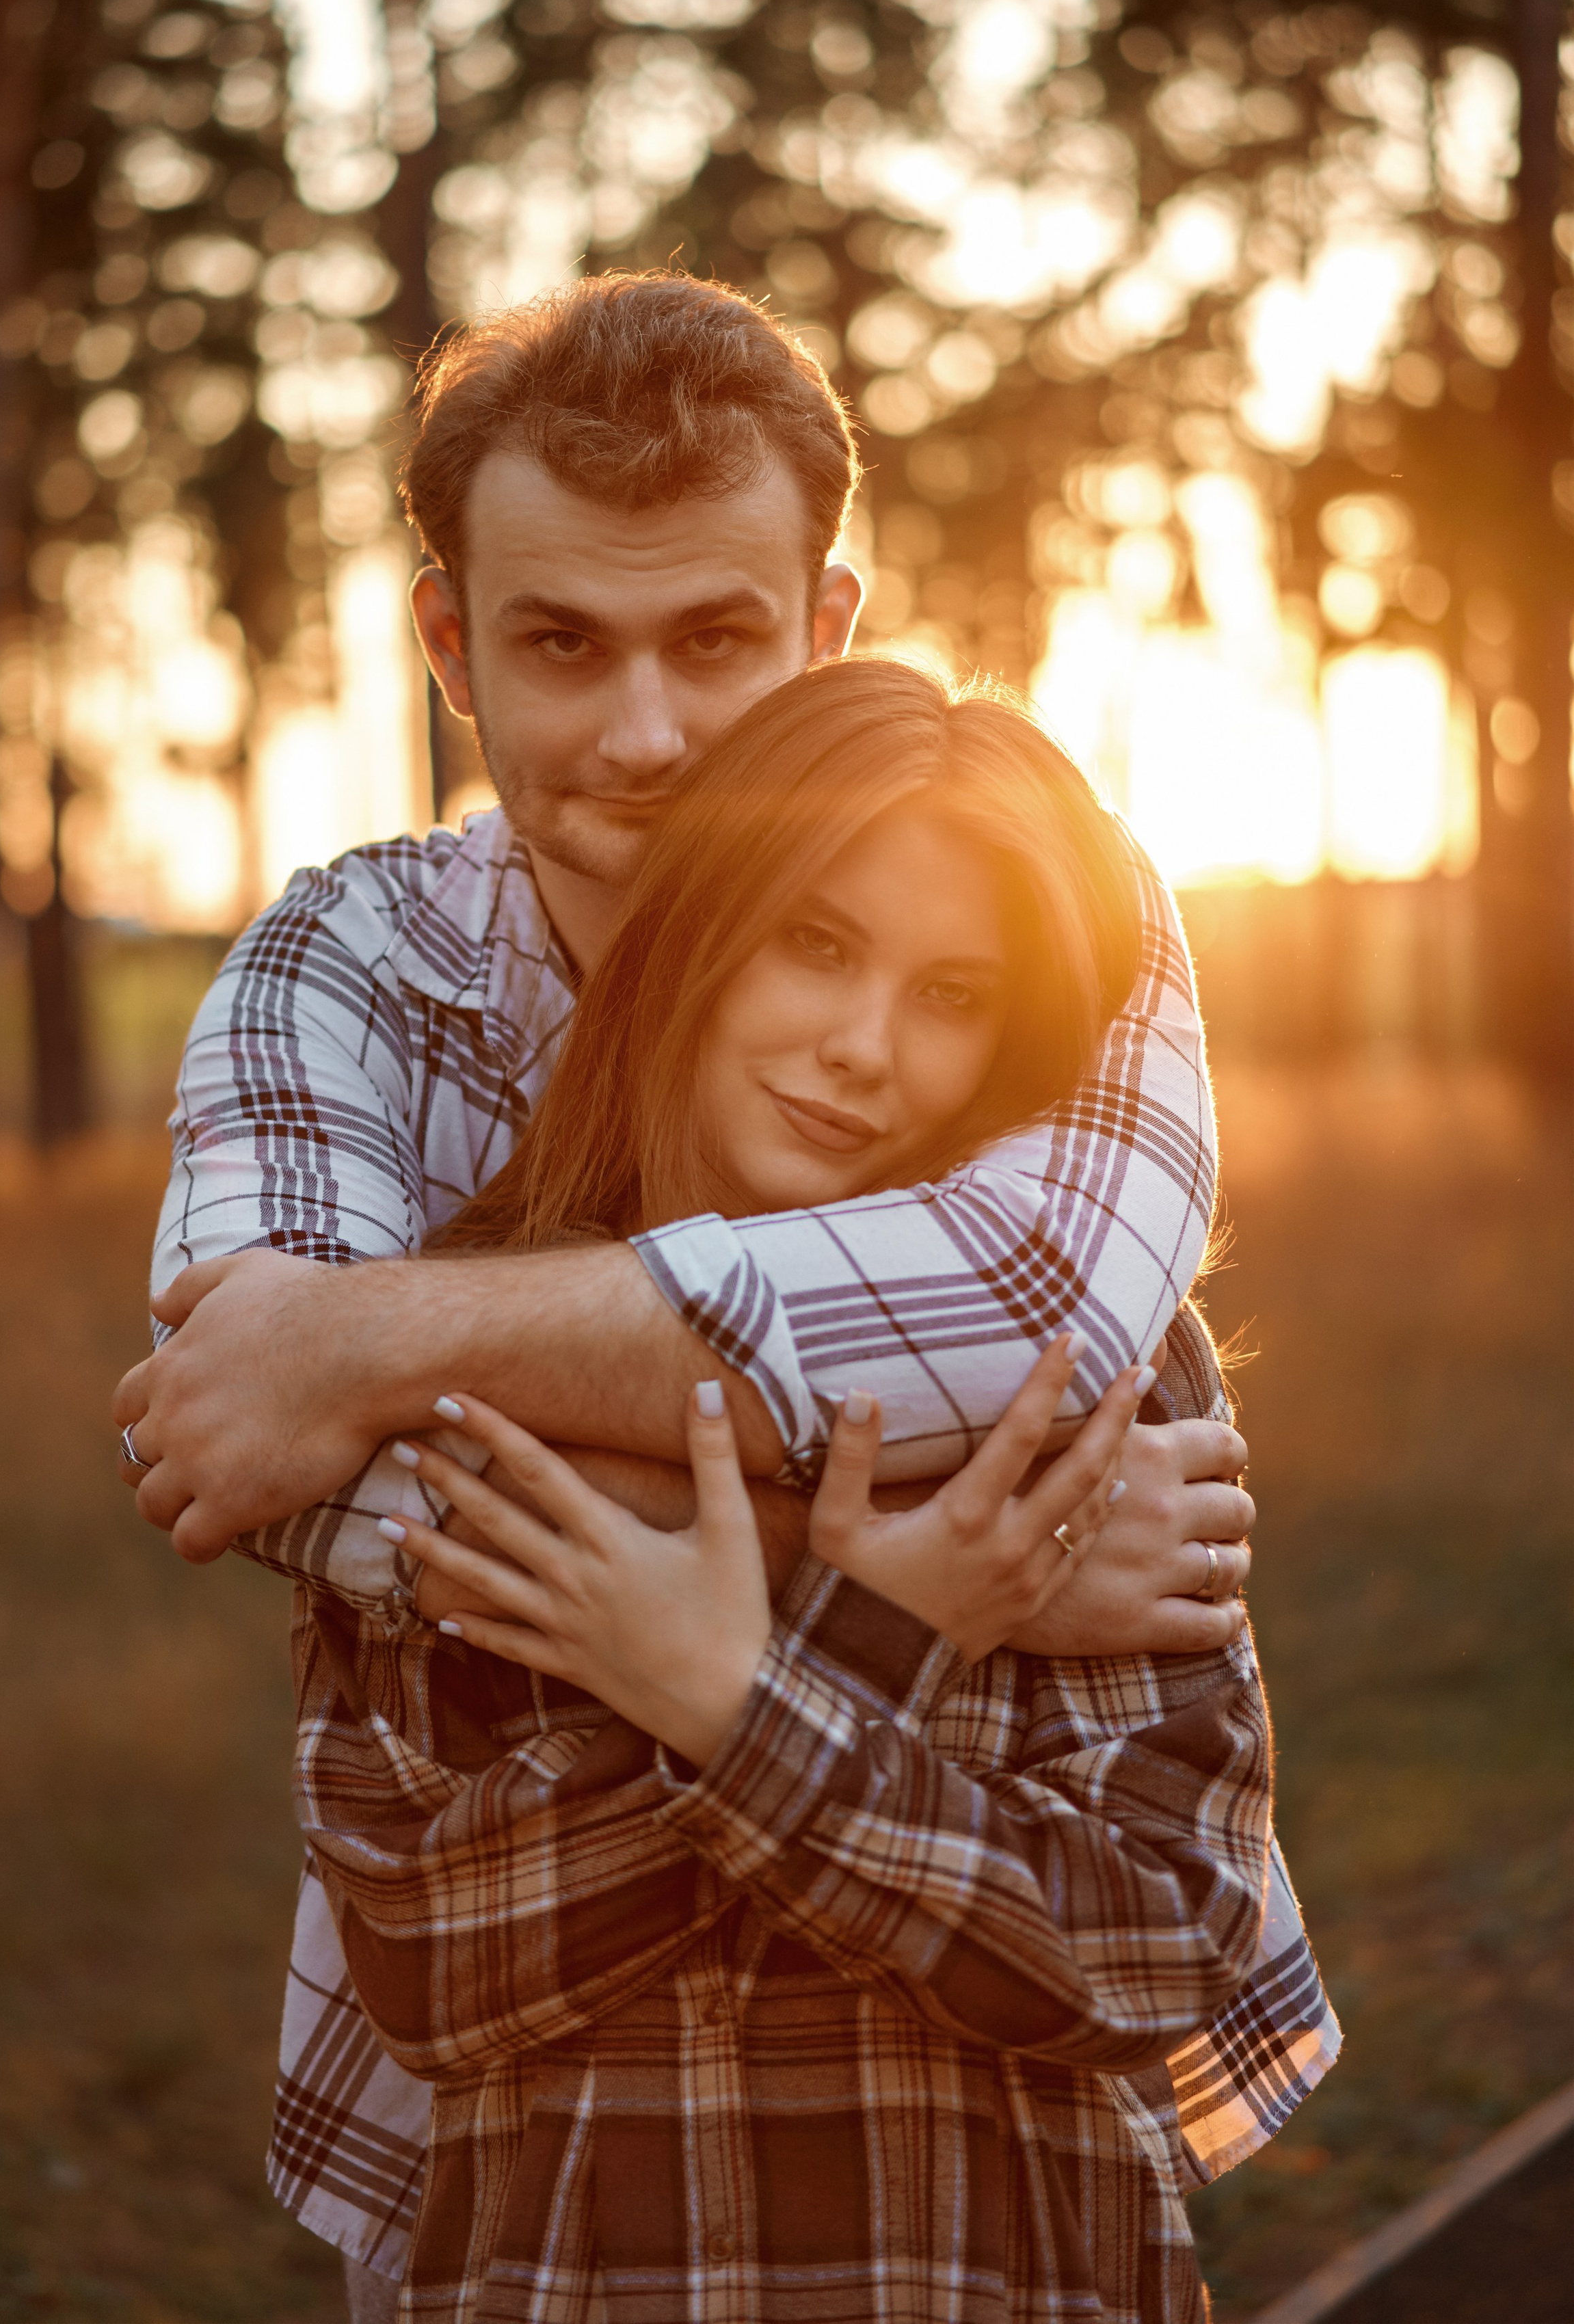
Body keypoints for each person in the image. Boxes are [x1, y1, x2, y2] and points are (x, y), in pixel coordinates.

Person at [110, 273, 1336, 2314]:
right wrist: (927, 1574)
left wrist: (406, 1373)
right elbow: (266, 1445)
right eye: (564, 645)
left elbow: (1046, 1294)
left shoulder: (1058, 915)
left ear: (827, 626)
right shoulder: (342, 972)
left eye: (719, 641)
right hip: (539, 2218)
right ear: (451, 643)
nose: (652, 733)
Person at [296, 659, 1275, 2321]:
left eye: (951, 995)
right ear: (703, 926)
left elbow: (1160, 1939)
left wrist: (740, 1704)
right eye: (816, 944)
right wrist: (873, 1635)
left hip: (1003, 2274)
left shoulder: (1083, 1369)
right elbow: (433, 1958)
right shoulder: (458, 1328)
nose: (862, 1049)